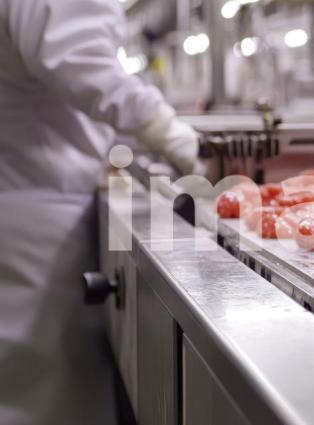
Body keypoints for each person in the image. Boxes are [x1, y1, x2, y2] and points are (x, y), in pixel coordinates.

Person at [0, 0, 201, 423]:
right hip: (37, 215)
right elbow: (81, 62)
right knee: (45, 395)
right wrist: (164, 128)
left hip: (23, 195)